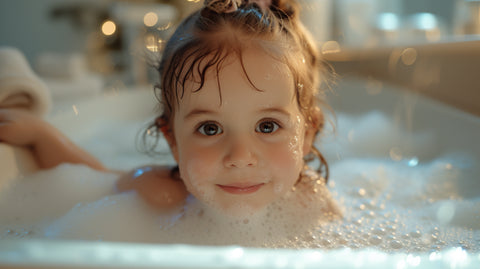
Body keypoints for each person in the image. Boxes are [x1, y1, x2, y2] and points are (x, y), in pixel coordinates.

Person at [0, 0, 338, 217]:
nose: (240, 156)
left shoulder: (311, 202)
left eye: (267, 126)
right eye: (210, 128)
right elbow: (90, 181)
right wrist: (41, 134)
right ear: (172, 139)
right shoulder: (165, 194)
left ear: (307, 132)